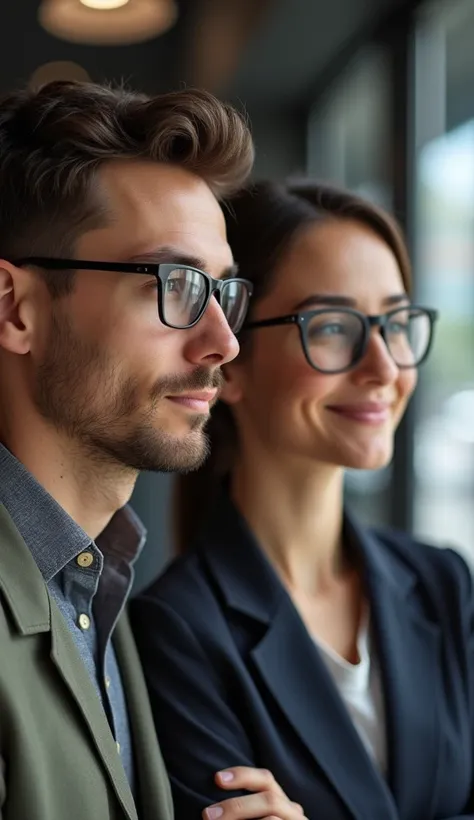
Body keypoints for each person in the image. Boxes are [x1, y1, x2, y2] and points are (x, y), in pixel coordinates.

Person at [131, 180, 474, 820]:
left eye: (396, 323)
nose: (383, 368)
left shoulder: (444, 584)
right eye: (333, 327)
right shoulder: (175, 632)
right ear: (230, 362)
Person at [0, 78, 258, 820]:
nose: (223, 341)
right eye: (175, 285)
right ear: (16, 309)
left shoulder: (93, 584)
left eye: (224, 292)